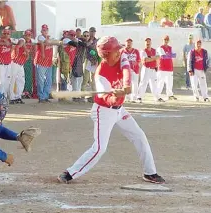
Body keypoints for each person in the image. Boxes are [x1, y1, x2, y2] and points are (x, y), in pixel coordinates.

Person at [57, 36, 165, 185]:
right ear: (107, 55)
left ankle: (150, 172)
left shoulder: (121, 56)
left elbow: (126, 69)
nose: (119, 52)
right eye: (115, 50)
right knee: (100, 148)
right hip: (104, 112)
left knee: (139, 136)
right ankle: (69, 173)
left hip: (120, 111)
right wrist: (116, 95)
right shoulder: (100, 75)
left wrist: (126, 86)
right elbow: (108, 100)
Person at [9, 29, 34, 104]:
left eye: (29, 35)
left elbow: (28, 51)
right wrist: (16, 55)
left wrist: (27, 54)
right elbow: (17, 47)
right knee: (12, 80)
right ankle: (12, 97)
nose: (28, 36)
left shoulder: (30, 42)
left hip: (20, 64)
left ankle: (18, 97)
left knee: (21, 80)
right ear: (24, 35)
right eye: (26, 35)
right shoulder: (22, 40)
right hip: (15, 62)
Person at [136, 38, 163, 103]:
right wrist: (153, 57)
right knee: (143, 83)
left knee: (154, 84)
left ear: (151, 43)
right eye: (146, 42)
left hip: (153, 69)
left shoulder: (154, 50)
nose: (148, 43)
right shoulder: (143, 51)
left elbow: (158, 57)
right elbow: (145, 60)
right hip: (146, 69)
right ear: (145, 43)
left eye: (149, 42)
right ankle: (139, 97)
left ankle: (157, 97)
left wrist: (152, 59)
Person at [34, 24, 54, 103]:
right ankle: (41, 96)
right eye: (44, 30)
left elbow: (51, 42)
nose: (45, 31)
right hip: (41, 61)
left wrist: (50, 41)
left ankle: (45, 96)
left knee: (48, 80)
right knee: (41, 80)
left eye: (46, 30)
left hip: (48, 62)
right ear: (41, 31)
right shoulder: (40, 37)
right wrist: (49, 41)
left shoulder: (50, 38)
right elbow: (44, 42)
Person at [156, 35, 177, 101]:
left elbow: (174, 55)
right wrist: (169, 55)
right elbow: (163, 56)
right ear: (163, 40)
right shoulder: (160, 48)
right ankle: (157, 95)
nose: (166, 41)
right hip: (162, 68)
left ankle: (170, 95)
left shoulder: (170, 48)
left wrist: (167, 55)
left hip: (169, 68)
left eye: (167, 40)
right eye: (165, 40)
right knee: (160, 82)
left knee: (170, 82)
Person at [121, 38, 141, 103]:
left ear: (131, 43)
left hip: (134, 69)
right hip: (126, 70)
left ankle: (134, 97)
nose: (128, 44)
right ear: (125, 43)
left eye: (130, 43)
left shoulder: (136, 51)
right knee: (126, 83)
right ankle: (127, 97)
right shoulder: (122, 51)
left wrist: (136, 62)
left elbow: (139, 60)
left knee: (135, 83)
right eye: (127, 42)